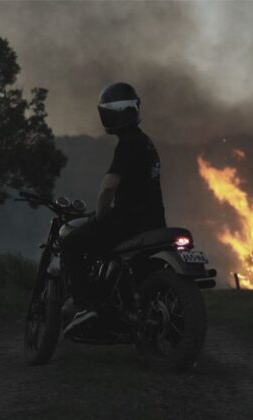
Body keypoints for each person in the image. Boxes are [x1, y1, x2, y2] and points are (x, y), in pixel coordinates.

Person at [60, 82, 166, 337]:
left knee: (71, 244)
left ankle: (86, 306)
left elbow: (108, 187)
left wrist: (100, 213)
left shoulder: (128, 144)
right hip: (154, 221)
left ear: (110, 115)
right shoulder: (146, 143)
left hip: (127, 222)